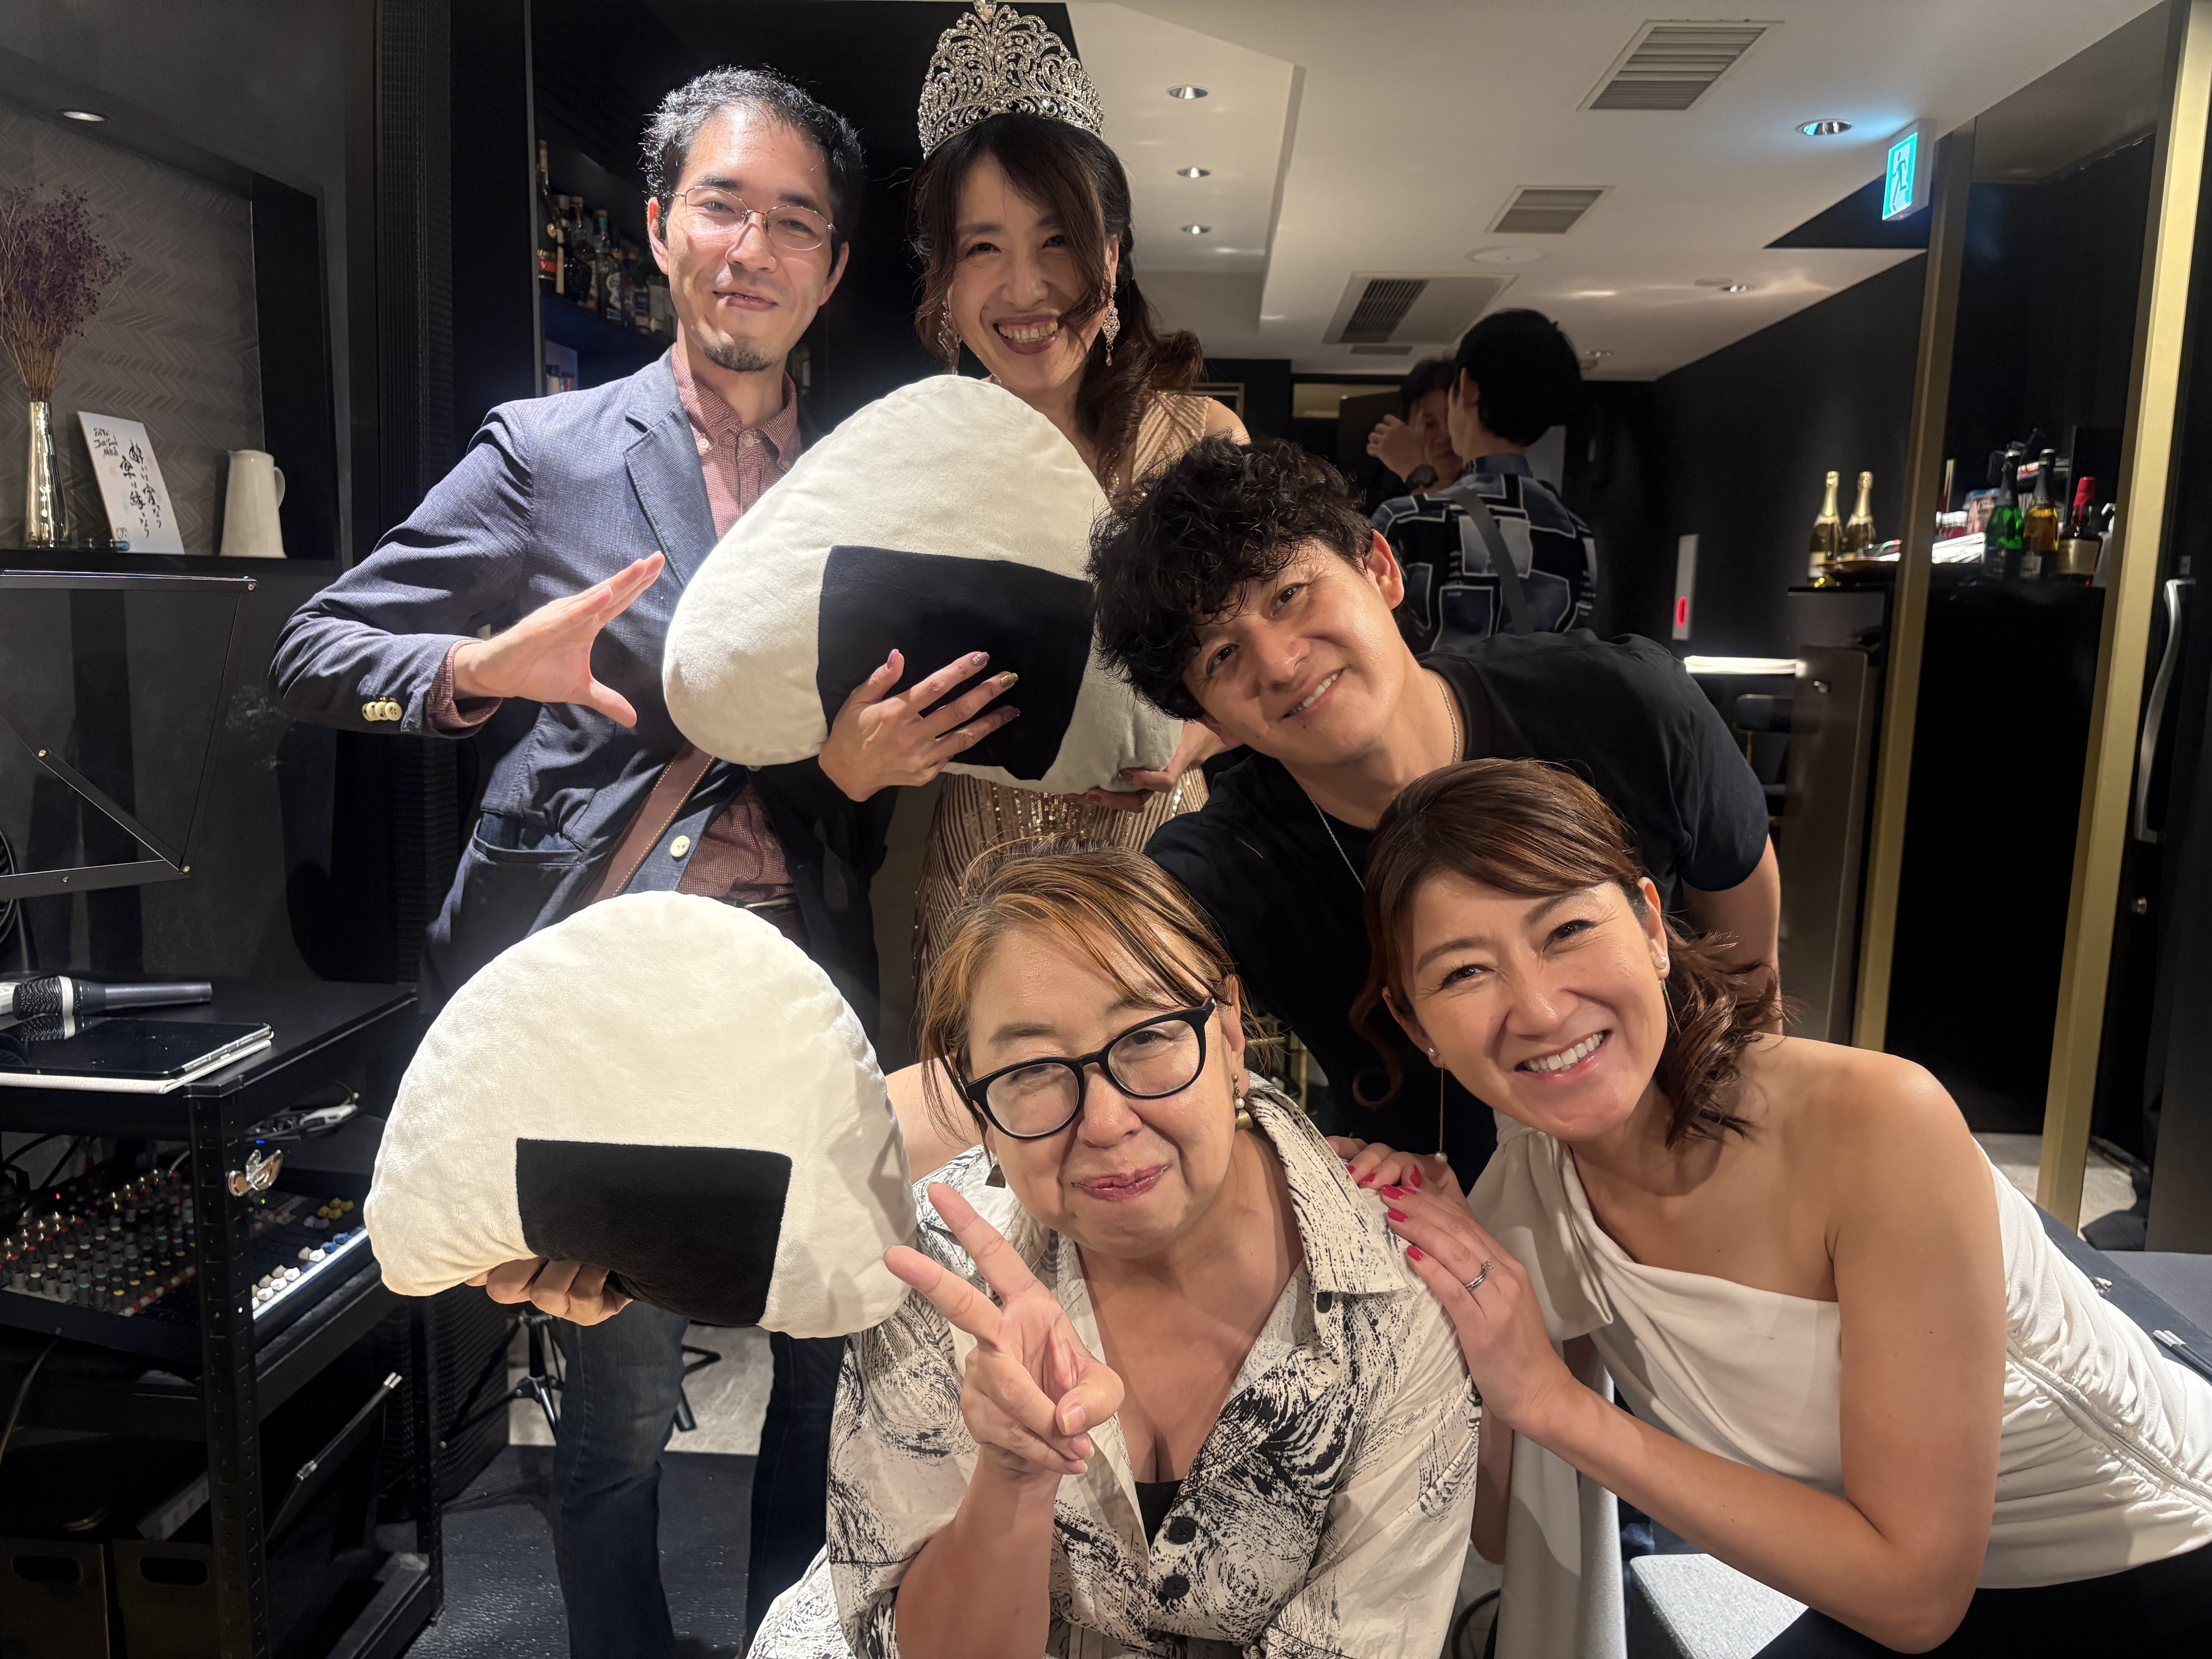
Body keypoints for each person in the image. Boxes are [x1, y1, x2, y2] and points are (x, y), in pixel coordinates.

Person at [270, 68, 1001, 1654]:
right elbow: (314, 650)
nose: (753, 247)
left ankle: (793, 1636)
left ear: (833, 264)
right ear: (663, 226)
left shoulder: (871, 482)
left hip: (808, 980)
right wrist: (482, 668)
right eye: (723, 207)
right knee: (615, 1395)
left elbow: (858, 755)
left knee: (826, 1353)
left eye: (794, 221)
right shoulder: (550, 452)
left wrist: (861, 772)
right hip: (610, 993)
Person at [1348, 759, 2212, 1655]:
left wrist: (1556, 1403)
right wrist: (1429, 1265)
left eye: (1566, 930)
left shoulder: (1879, 1125)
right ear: (1418, 1028)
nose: (1537, 1008)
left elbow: (1916, 1599)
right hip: (1868, 1582)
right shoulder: (1530, 1196)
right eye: (1466, 973)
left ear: (1651, 926)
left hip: (2153, 1570)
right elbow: (1500, 1524)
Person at [748, 843, 1480, 1659]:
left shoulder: (1395, 1293)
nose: (1105, 1122)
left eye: (1149, 1036)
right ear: (978, 1099)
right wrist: (1013, 1478)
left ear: (1229, 1032)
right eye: (1032, 1069)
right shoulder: (941, 1271)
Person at [1085, 436, 1776, 1176]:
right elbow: (1094, 1017)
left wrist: (1744, 1154)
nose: (1281, 664)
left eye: (1288, 594)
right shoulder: (1223, 868)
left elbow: (1746, 964)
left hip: (1683, 1159)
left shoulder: (1626, 707)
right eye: (1222, 655)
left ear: (1379, 568)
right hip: (1431, 1219)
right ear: (1210, 718)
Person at [885, 1, 1247, 987]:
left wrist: (1189, 741)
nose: (1025, 287)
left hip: (1160, 872)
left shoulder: (1199, 443)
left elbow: (1274, 659)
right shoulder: (912, 467)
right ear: (945, 280)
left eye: (1058, 242)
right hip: (977, 889)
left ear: (1113, 258)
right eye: (983, 248)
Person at [1372, 309, 1596, 650]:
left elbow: (1367, 641)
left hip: (1437, 688)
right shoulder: (1577, 533)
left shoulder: (1404, 520)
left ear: (1468, 387)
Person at [1364, 354, 1462, 495]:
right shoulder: (1387, 495)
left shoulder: (1489, 481)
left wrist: (1417, 475)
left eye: (1451, 418)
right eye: (1429, 424)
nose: (1445, 435)